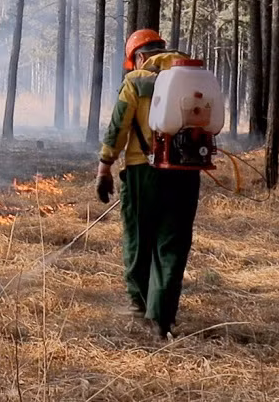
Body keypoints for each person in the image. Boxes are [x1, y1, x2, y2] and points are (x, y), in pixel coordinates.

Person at [95, 29, 201, 340]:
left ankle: (139, 307)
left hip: (144, 172)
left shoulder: (136, 80)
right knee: (172, 245)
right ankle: (162, 318)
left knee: (139, 240)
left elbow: (118, 127)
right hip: (186, 172)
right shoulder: (193, 74)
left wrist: (105, 168)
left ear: (140, 56)